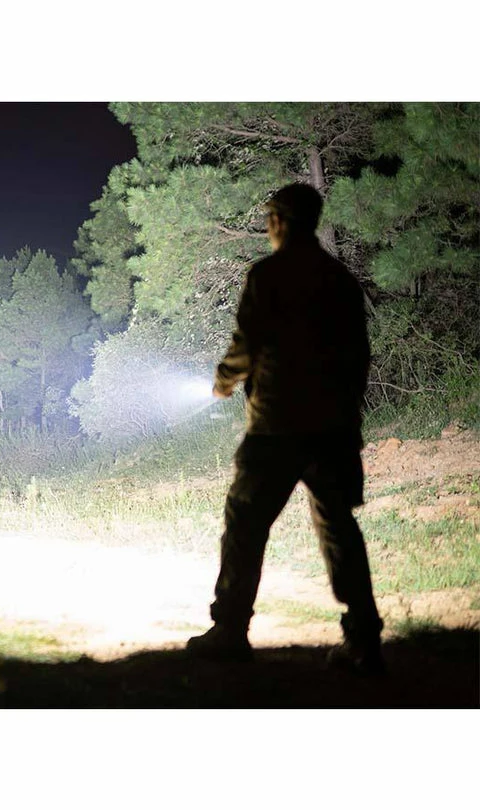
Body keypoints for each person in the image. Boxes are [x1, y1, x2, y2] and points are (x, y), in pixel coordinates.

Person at [186, 183, 386, 676]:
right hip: (333, 428)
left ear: (278, 221)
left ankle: (230, 630)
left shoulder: (268, 275)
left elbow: (246, 342)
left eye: (269, 218)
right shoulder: (339, 279)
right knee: (338, 527)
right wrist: (347, 413)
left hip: (276, 426)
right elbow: (359, 355)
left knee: (245, 522)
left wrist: (224, 380)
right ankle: (364, 638)